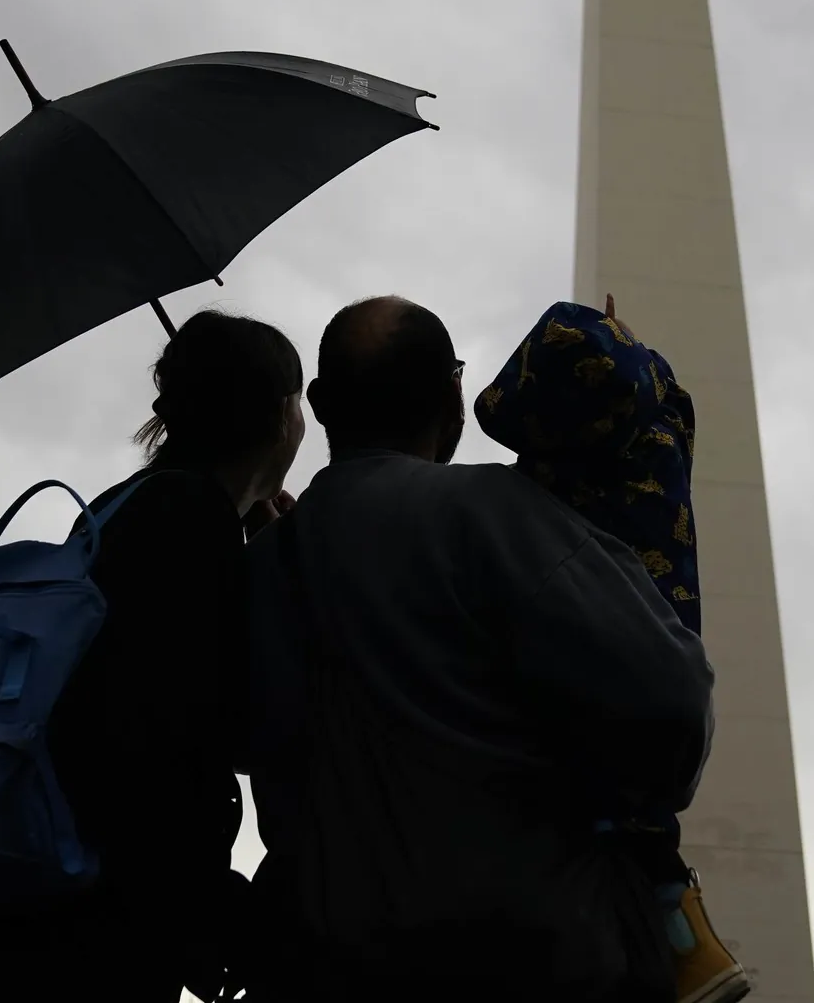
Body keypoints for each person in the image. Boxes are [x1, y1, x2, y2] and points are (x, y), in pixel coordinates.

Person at [244, 296, 714, 1003]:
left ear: (318, 402)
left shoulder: (263, 566)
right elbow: (671, 707)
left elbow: (246, 742)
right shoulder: (493, 513)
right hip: (529, 958)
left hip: (321, 963)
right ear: (454, 394)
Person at [0, 309, 304, 1003]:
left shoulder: (125, 510)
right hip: (62, 945)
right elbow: (163, 748)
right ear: (280, 414)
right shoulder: (189, 525)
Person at [474, 297, 749, 1003]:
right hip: (655, 702)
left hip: (551, 814)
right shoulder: (658, 428)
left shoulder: (536, 492)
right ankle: (680, 925)